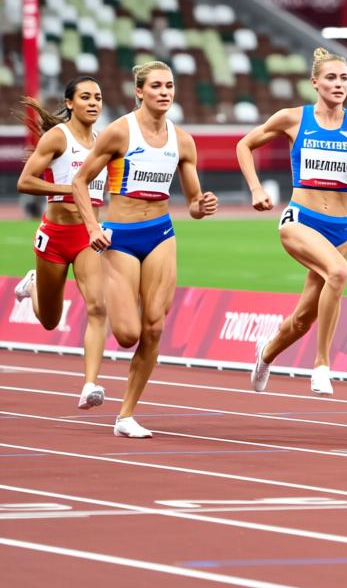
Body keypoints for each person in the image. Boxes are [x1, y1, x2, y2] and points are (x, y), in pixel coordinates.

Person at [73, 62, 218, 438]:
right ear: (139, 91)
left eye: (169, 86)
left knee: (154, 327)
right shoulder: (120, 132)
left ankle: (126, 415)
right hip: (120, 237)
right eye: (156, 86)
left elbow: (193, 203)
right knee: (127, 334)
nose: (165, 92)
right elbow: (80, 181)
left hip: (160, 234)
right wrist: (92, 227)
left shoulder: (182, 141)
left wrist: (202, 206)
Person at [239, 48, 347, 396]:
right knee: (338, 273)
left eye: (344, 78)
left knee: (303, 320)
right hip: (300, 220)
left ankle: (265, 353)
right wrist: (256, 188)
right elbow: (244, 145)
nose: (338, 84)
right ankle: (321, 365)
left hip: (341, 229)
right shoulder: (293, 118)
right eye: (331, 78)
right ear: (315, 83)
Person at [14, 76, 109, 409]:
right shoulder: (58, 137)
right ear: (70, 103)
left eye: (98, 97)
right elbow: (25, 181)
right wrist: (71, 189)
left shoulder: (104, 142)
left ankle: (90, 384)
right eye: (86, 97)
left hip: (87, 236)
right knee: (50, 321)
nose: (93, 102)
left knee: (98, 307)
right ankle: (34, 284)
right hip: (54, 237)